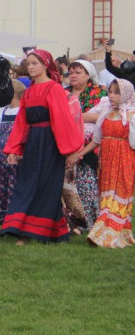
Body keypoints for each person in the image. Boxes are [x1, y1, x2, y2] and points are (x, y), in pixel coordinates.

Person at [1, 50, 85, 244]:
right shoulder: (29, 91)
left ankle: (35, 232)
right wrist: (14, 149)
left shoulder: (53, 89)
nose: (30, 67)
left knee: (47, 186)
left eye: (35, 63)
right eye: (28, 63)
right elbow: (22, 122)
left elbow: (62, 120)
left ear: (45, 65)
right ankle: (38, 230)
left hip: (51, 144)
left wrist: (70, 150)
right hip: (33, 143)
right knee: (27, 184)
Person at [69, 79, 135, 248]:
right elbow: (96, 140)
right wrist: (78, 154)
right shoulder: (106, 113)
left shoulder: (132, 115)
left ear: (126, 94)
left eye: (117, 92)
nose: (112, 95)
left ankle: (101, 235)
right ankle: (109, 234)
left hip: (125, 160)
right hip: (106, 160)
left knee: (120, 196)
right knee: (106, 196)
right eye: (110, 92)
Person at [65, 59, 109, 230]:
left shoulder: (99, 94)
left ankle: (87, 221)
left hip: (89, 144)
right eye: (71, 72)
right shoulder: (64, 92)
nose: (73, 76)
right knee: (67, 185)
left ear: (89, 75)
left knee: (85, 182)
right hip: (65, 143)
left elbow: (105, 117)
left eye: (78, 72)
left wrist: (77, 117)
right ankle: (70, 221)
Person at [0, 80, 25, 225]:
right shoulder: (2, 111)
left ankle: (14, 215)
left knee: (15, 184)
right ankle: (2, 214)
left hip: (16, 156)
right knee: (3, 184)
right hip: (2, 156)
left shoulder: (22, 111)